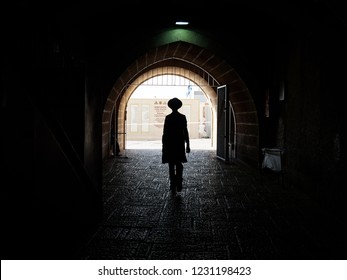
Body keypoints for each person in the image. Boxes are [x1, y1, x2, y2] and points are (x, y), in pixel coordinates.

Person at [162, 97, 190, 192]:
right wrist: (188, 144)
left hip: (170, 143)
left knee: (171, 165)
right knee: (179, 164)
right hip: (179, 143)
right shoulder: (182, 117)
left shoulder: (168, 118)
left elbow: (165, 133)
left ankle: (173, 183)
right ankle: (179, 182)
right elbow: (185, 131)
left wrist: (164, 145)